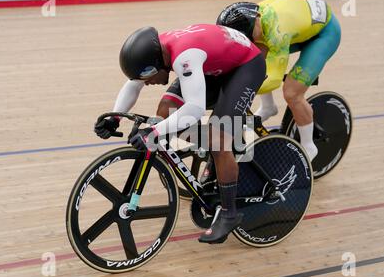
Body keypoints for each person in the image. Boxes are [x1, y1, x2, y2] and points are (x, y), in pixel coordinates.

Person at [94, 24, 266, 243]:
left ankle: (229, 213)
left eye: (147, 76)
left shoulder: (184, 56)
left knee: (217, 141)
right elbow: (133, 83)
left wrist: (154, 132)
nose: (147, 82)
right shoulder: (156, 50)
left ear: (157, 63)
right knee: (166, 111)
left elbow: (195, 109)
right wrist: (114, 117)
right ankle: (215, 155)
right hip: (216, 65)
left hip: (246, 66)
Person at [216, 0, 342, 161]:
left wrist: (237, 88)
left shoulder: (277, 33)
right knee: (255, 59)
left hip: (324, 35)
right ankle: (269, 107)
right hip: (302, 23)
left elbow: (273, 79)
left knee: (292, 92)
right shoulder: (251, 17)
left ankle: (309, 146)